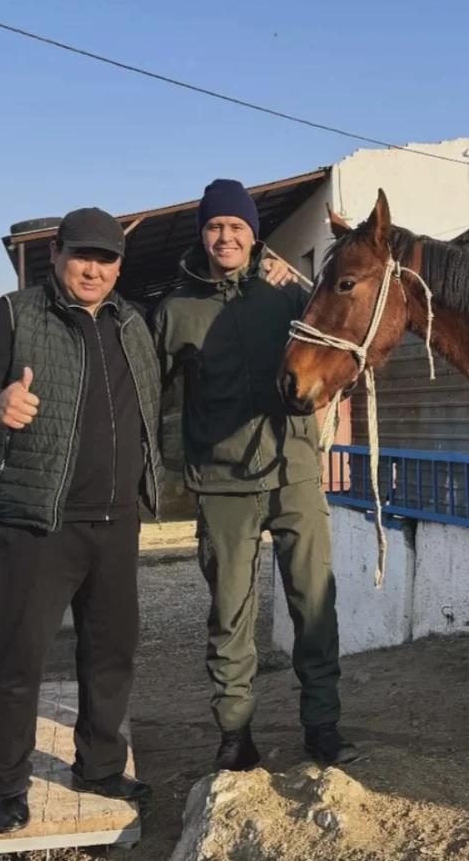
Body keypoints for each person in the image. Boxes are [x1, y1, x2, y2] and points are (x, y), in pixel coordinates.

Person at [0, 207, 163, 834]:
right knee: (17, 659)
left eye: (108, 259)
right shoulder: (13, 315)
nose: (94, 269)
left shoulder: (133, 324)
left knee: (111, 654)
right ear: (57, 255)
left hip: (116, 524)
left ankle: (98, 765)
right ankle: (5, 783)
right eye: (83, 255)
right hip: (38, 523)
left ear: (120, 265)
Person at [151, 179, 358, 771]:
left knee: (314, 605)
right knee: (230, 614)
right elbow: (146, 393)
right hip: (221, 485)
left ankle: (322, 726)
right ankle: (235, 733)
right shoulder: (175, 310)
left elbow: (335, 344)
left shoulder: (286, 298)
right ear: (203, 234)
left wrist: (308, 277)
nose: (226, 236)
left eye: (236, 227)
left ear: (252, 234)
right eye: (216, 226)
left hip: (293, 473)